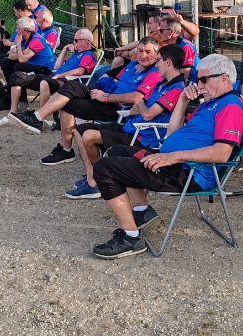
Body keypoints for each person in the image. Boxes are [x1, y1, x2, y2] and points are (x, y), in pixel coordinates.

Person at [91, 54, 243, 259]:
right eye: (198, 79)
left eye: (204, 79)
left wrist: (173, 157)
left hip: (189, 172)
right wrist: (182, 99)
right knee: (119, 150)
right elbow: (171, 134)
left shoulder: (231, 105)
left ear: (224, 78)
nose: (199, 84)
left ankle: (131, 238)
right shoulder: (210, 103)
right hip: (175, 162)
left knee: (104, 167)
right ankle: (142, 211)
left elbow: (222, 153)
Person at [8, 38, 162, 164]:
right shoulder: (133, 64)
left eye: (148, 52)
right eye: (140, 51)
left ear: (156, 55)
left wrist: (106, 96)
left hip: (115, 107)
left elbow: (136, 97)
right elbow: (113, 77)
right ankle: (49, 131)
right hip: (105, 95)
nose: (142, 55)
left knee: (67, 101)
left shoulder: (154, 72)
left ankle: (47, 130)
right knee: (70, 88)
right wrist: (104, 88)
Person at [64, 44, 185, 199]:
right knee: (80, 130)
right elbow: (135, 109)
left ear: (168, 62)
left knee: (89, 136)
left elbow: (147, 114)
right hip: (131, 127)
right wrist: (140, 102)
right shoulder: (162, 84)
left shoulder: (176, 88)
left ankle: (96, 182)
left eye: (158, 60)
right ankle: (94, 177)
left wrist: (140, 101)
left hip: (144, 136)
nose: (156, 63)